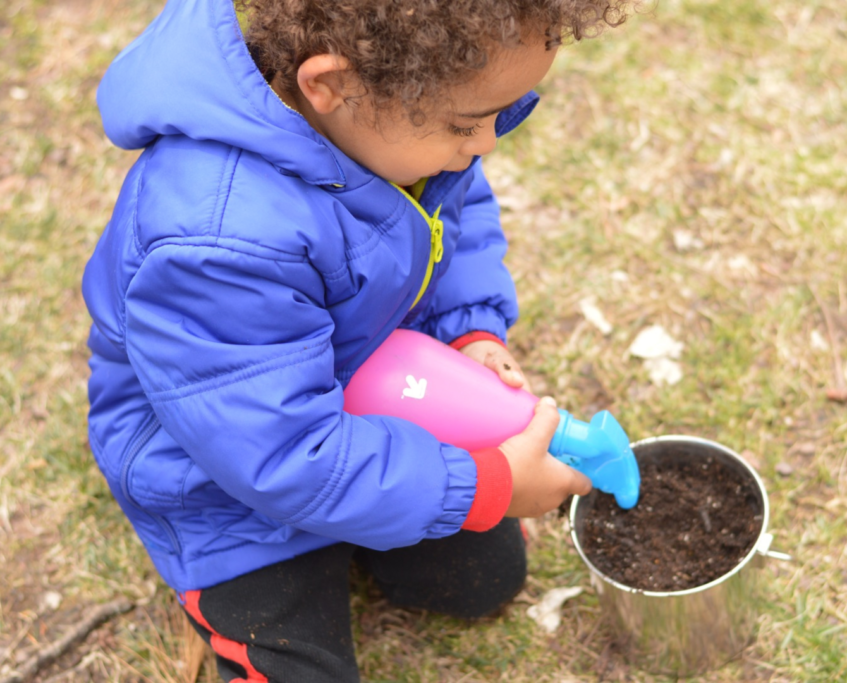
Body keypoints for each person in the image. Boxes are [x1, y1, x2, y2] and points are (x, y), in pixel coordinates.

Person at [83, 0, 636, 679]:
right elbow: (284, 454)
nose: (488, 143)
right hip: (228, 482)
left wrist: (470, 330)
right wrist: (479, 484)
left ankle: (377, 510)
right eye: (469, 123)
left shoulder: (391, 122)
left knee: (482, 580)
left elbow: (449, 220)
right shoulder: (216, 239)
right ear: (332, 85)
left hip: (358, 392)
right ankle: (230, 609)